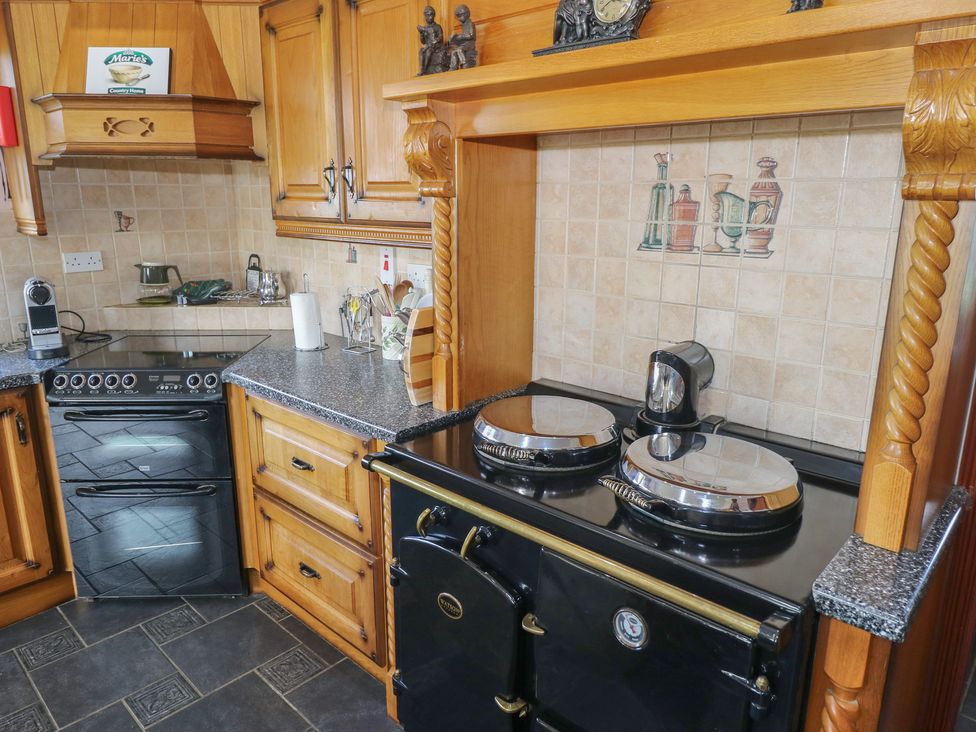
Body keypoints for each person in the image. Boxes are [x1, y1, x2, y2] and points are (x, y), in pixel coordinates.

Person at [417, 6, 447, 75]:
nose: (429, 17)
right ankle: (422, 69)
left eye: (431, 15)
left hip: (436, 45)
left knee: (428, 52)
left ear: (434, 16)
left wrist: (434, 41)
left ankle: (425, 69)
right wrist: (421, 34)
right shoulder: (425, 28)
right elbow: (423, 41)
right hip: (429, 45)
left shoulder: (437, 26)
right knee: (421, 51)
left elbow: (440, 36)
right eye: (427, 15)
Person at [448, 5, 477, 70]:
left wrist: (460, 36)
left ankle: (463, 62)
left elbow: (471, 35)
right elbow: (463, 37)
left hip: (470, 44)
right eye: (458, 17)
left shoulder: (470, 24)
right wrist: (454, 38)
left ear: (466, 14)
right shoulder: (464, 25)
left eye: (459, 16)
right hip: (465, 44)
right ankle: (453, 67)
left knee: (460, 49)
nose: (459, 19)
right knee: (453, 52)